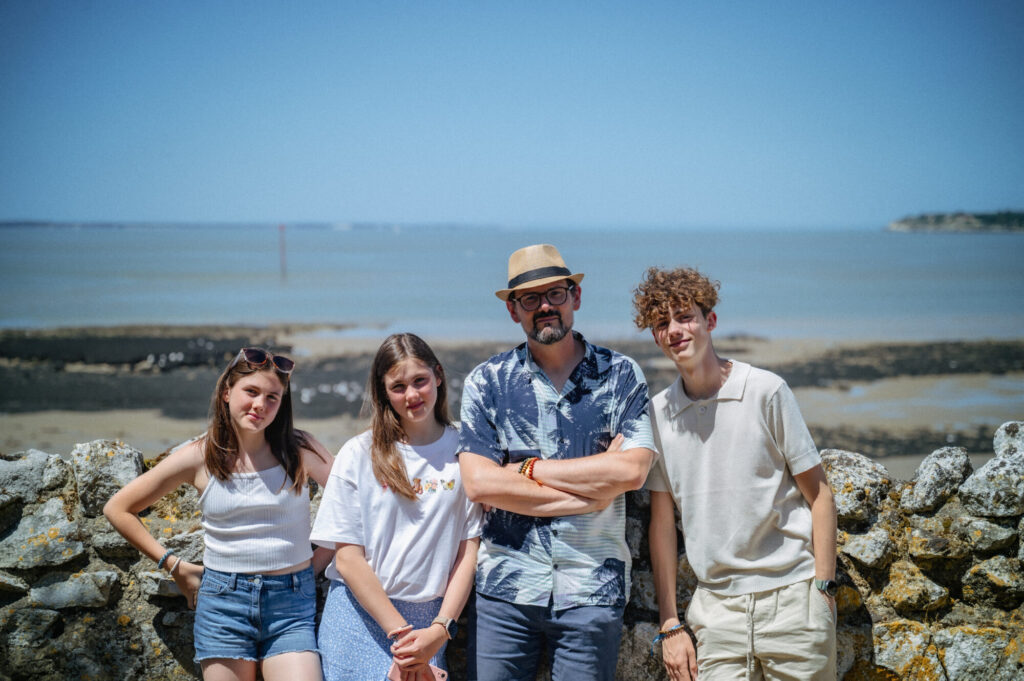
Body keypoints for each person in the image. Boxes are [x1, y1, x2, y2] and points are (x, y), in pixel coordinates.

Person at [457, 244, 657, 681]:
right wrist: (590, 494)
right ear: (514, 311)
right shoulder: (487, 382)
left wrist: (526, 469)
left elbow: (632, 471)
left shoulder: (621, 375)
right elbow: (479, 486)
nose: (545, 306)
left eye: (556, 294)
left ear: (576, 298)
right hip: (505, 591)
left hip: (592, 589)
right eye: (530, 298)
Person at [632, 266, 838, 681]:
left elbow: (820, 496)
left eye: (684, 316)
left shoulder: (766, 390)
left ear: (710, 321)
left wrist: (824, 590)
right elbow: (661, 524)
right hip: (716, 614)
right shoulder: (656, 414)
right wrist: (670, 623)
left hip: (793, 604)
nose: (674, 329)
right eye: (661, 323)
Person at [104, 347, 333, 681]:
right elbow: (118, 508)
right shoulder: (200, 455)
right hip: (223, 605)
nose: (260, 405)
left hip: (291, 607)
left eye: (273, 397)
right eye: (251, 392)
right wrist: (174, 565)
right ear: (227, 392)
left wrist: (320, 559)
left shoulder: (300, 449)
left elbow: (355, 503)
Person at [311, 333, 482, 681]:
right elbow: (346, 557)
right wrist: (402, 635)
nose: (413, 395)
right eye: (398, 386)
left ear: (438, 375)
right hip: (358, 616)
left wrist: (440, 629)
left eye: (420, 381)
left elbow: (469, 552)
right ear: (383, 392)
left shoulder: (466, 449)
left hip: (431, 624)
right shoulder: (359, 453)